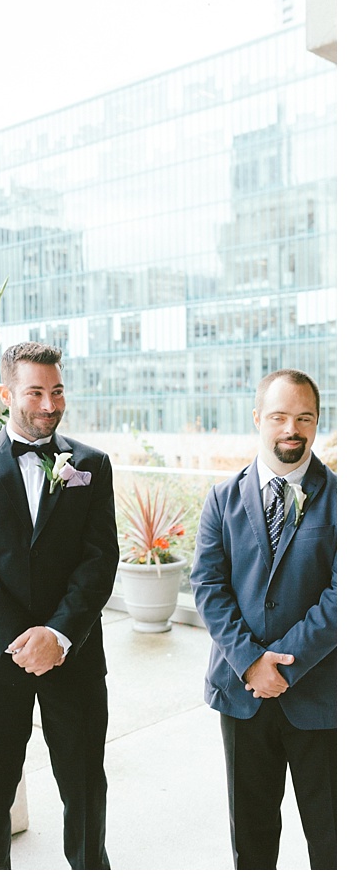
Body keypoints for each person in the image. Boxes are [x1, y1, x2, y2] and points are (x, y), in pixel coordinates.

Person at [0, 342, 118, 869]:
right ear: (6, 393)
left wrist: (58, 635)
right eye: (36, 391)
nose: (49, 404)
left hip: (75, 653)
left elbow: (99, 559)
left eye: (57, 390)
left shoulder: (92, 464)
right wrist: (23, 637)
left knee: (85, 785)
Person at [189, 369, 336, 869]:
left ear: (318, 423)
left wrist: (285, 666)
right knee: (250, 841)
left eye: (304, 418)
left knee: (331, 838)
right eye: (279, 416)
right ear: (258, 419)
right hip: (241, 694)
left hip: (321, 697)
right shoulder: (220, 498)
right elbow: (208, 587)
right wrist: (253, 663)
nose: (291, 429)